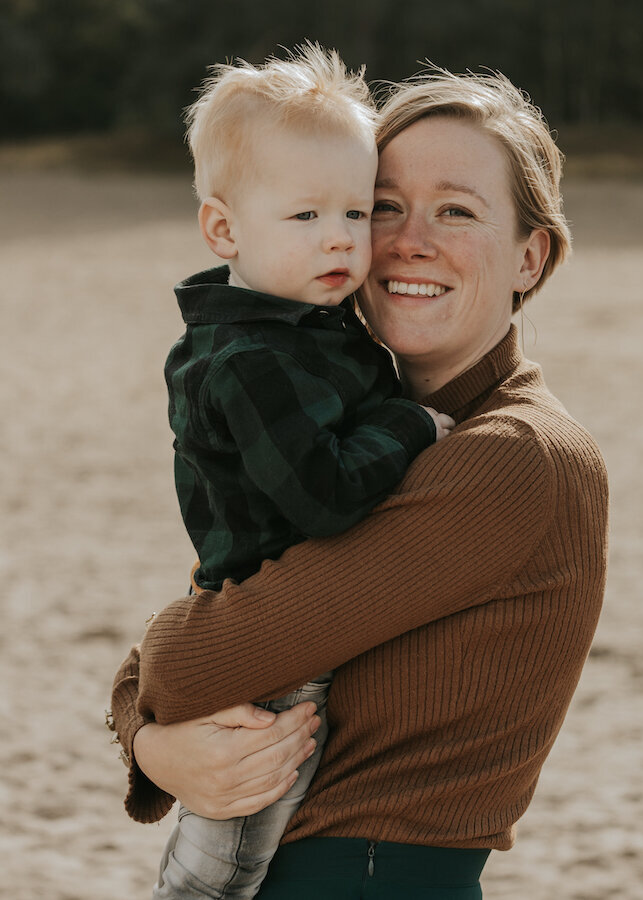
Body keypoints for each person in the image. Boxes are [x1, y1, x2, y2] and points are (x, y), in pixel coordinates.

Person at [110, 66, 609, 900]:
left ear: (531, 254)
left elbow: (201, 654)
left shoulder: (515, 455)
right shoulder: (347, 415)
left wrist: (143, 716)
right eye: (382, 205)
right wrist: (156, 747)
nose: (403, 239)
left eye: (455, 210)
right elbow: (236, 623)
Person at [146, 45, 453, 898]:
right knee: (229, 856)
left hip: (293, 624)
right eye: (306, 217)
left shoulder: (306, 324)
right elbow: (324, 497)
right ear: (223, 230)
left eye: (357, 213)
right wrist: (410, 421)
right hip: (270, 651)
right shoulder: (252, 358)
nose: (341, 240)